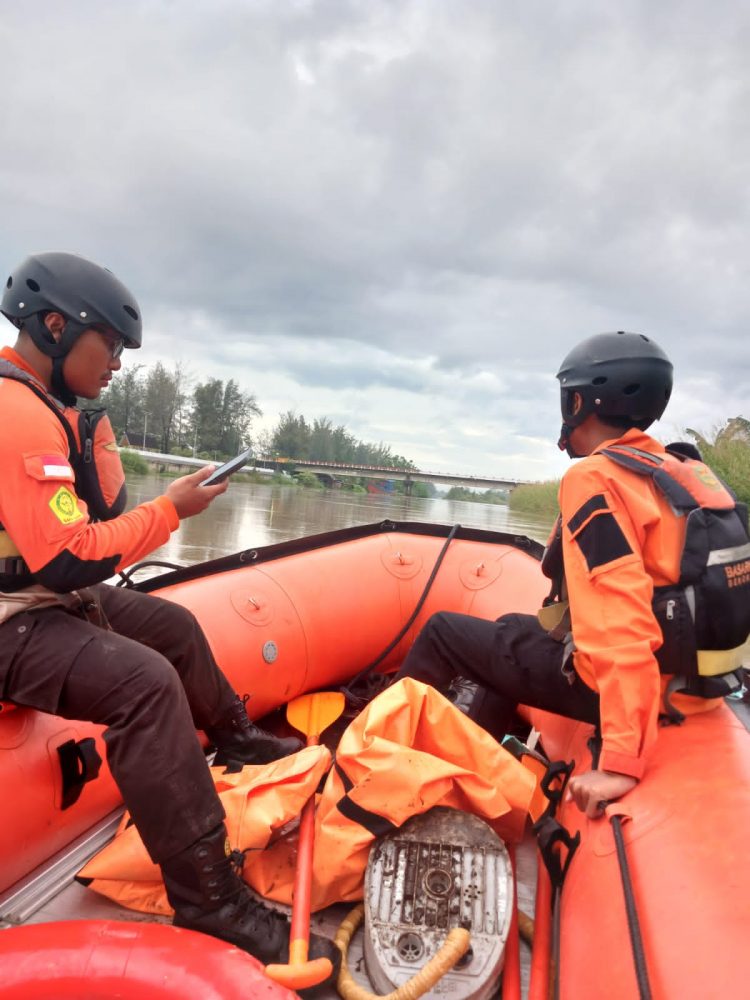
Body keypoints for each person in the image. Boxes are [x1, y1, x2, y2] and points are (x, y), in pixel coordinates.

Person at [0, 252, 337, 969]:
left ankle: (237, 738)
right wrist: (169, 512)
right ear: (56, 326)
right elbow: (69, 558)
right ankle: (207, 897)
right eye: (111, 346)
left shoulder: (45, 408)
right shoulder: (15, 412)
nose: (117, 364)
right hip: (13, 620)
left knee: (176, 627)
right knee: (147, 684)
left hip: (39, 598)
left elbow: (70, 538)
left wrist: (131, 494)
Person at [396, 331, 750, 818]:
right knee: (513, 631)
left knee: (440, 632)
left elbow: (621, 618)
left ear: (581, 400)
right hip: (692, 687)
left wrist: (622, 760)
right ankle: (477, 767)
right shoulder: (678, 470)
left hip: (626, 690)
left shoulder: (595, 478)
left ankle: (377, 757)